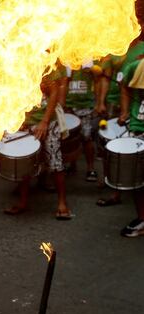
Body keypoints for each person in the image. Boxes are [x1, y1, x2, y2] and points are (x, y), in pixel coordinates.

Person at [3, 67, 73, 219]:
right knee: (24, 162)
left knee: (55, 163)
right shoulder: (14, 64)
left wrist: (45, 122)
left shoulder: (47, 65)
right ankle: (23, 203)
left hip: (47, 122)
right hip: (25, 122)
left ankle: (62, 203)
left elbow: (54, 93)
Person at [95, 38, 144, 206]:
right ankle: (115, 185)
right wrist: (101, 101)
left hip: (133, 107)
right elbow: (105, 78)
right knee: (111, 146)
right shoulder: (113, 48)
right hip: (113, 106)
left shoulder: (141, 50)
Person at [116, 57, 144, 237]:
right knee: (138, 180)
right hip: (137, 127)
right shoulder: (136, 66)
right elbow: (123, 85)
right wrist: (125, 111)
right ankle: (142, 219)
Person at [61, 62, 100, 182]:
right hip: (69, 106)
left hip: (85, 106)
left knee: (87, 138)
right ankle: (72, 166)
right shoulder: (65, 60)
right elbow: (63, 84)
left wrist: (98, 103)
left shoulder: (89, 60)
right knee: (69, 138)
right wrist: (62, 105)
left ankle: (90, 168)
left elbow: (98, 79)